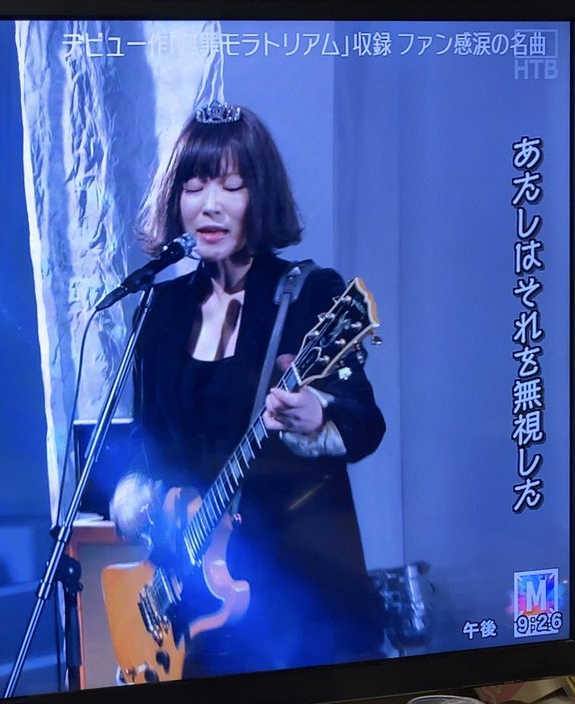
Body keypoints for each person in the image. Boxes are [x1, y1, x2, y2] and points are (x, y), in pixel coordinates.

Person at [110, 104, 387, 676]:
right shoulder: (159, 310)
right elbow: (146, 445)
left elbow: (364, 419)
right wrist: (146, 500)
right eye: (193, 187)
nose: (209, 205)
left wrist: (317, 416)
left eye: (231, 186)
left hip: (304, 601)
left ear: (259, 196)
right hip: (198, 607)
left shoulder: (309, 294)